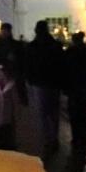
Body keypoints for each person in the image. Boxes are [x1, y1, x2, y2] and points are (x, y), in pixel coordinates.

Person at [28, 20, 65, 153]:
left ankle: (46, 139)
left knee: (42, 113)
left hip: (39, 82)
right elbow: (61, 64)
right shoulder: (55, 45)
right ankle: (53, 138)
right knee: (54, 113)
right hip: (54, 82)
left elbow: (29, 65)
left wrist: (30, 79)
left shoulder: (33, 46)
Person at [64, 31, 86, 151]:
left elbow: (64, 69)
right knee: (83, 114)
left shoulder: (69, 52)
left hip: (73, 88)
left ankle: (76, 137)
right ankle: (83, 137)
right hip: (84, 87)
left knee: (74, 115)